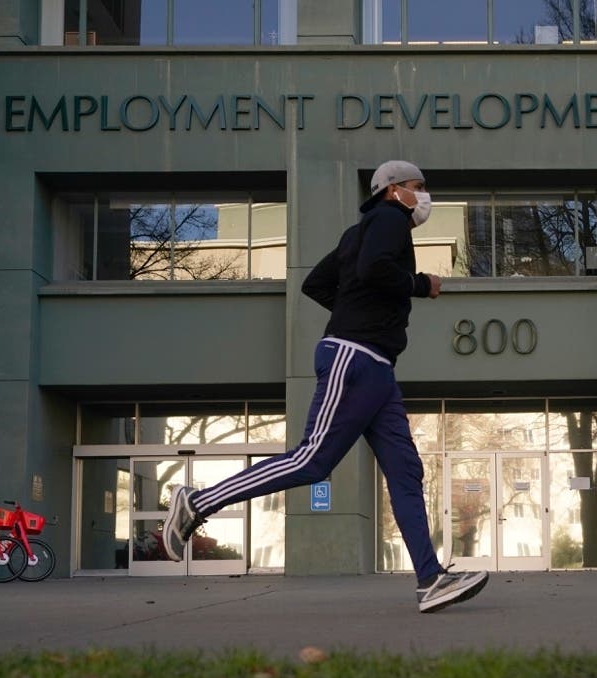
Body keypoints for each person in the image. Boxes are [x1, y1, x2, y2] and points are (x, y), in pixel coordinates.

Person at [161, 160, 488, 613]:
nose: (423, 195)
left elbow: (316, 284)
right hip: (354, 358)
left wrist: (356, 307)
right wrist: (420, 283)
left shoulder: (357, 233)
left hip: (377, 370)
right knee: (313, 460)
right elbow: (376, 271)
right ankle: (197, 501)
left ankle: (430, 579)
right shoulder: (389, 220)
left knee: (406, 473)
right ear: (394, 191)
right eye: (418, 187)